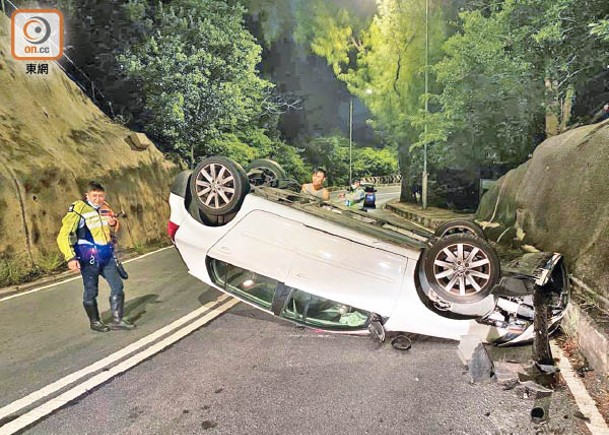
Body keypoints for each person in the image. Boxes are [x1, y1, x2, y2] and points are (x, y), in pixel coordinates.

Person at [57, 181, 134, 332]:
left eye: (100, 195)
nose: (98, 199)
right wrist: (70, 258)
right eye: (94, 196)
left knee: (118, 286)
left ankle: (117, 320)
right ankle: (95, 322)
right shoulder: (78, 209)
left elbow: (113, 229)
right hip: (88, 256)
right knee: (91, 291)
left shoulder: (105, 208)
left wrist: (112, 223)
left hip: (106, 254)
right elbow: (63, 235)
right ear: (87, 195)